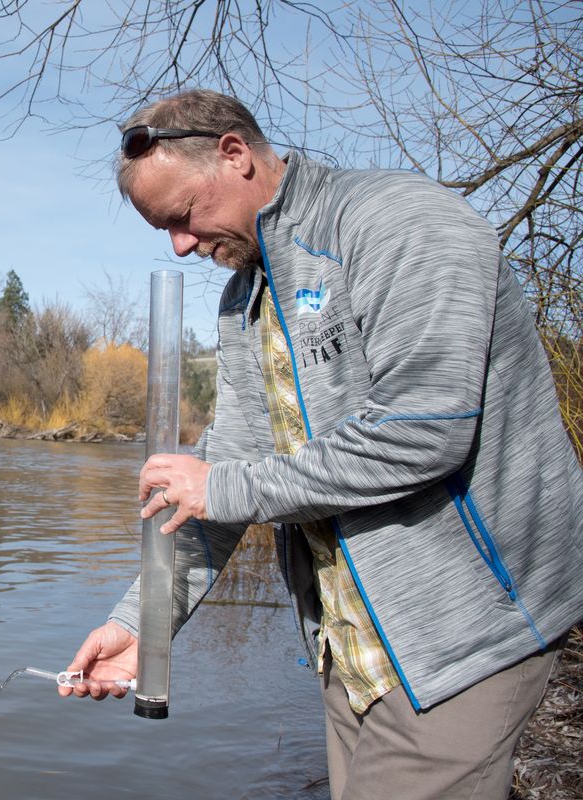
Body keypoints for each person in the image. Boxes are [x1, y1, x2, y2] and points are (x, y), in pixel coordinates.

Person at [59, 89, 583, 800]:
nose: (180, 244)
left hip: (464, 635)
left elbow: (423, 434)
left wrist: (220, 485)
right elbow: (223, 481)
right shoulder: (244, 297)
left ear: (234, 154)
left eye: (182, 216)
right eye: (165, 231)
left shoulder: (401, 225)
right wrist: (139, 625)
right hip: (350, 649)